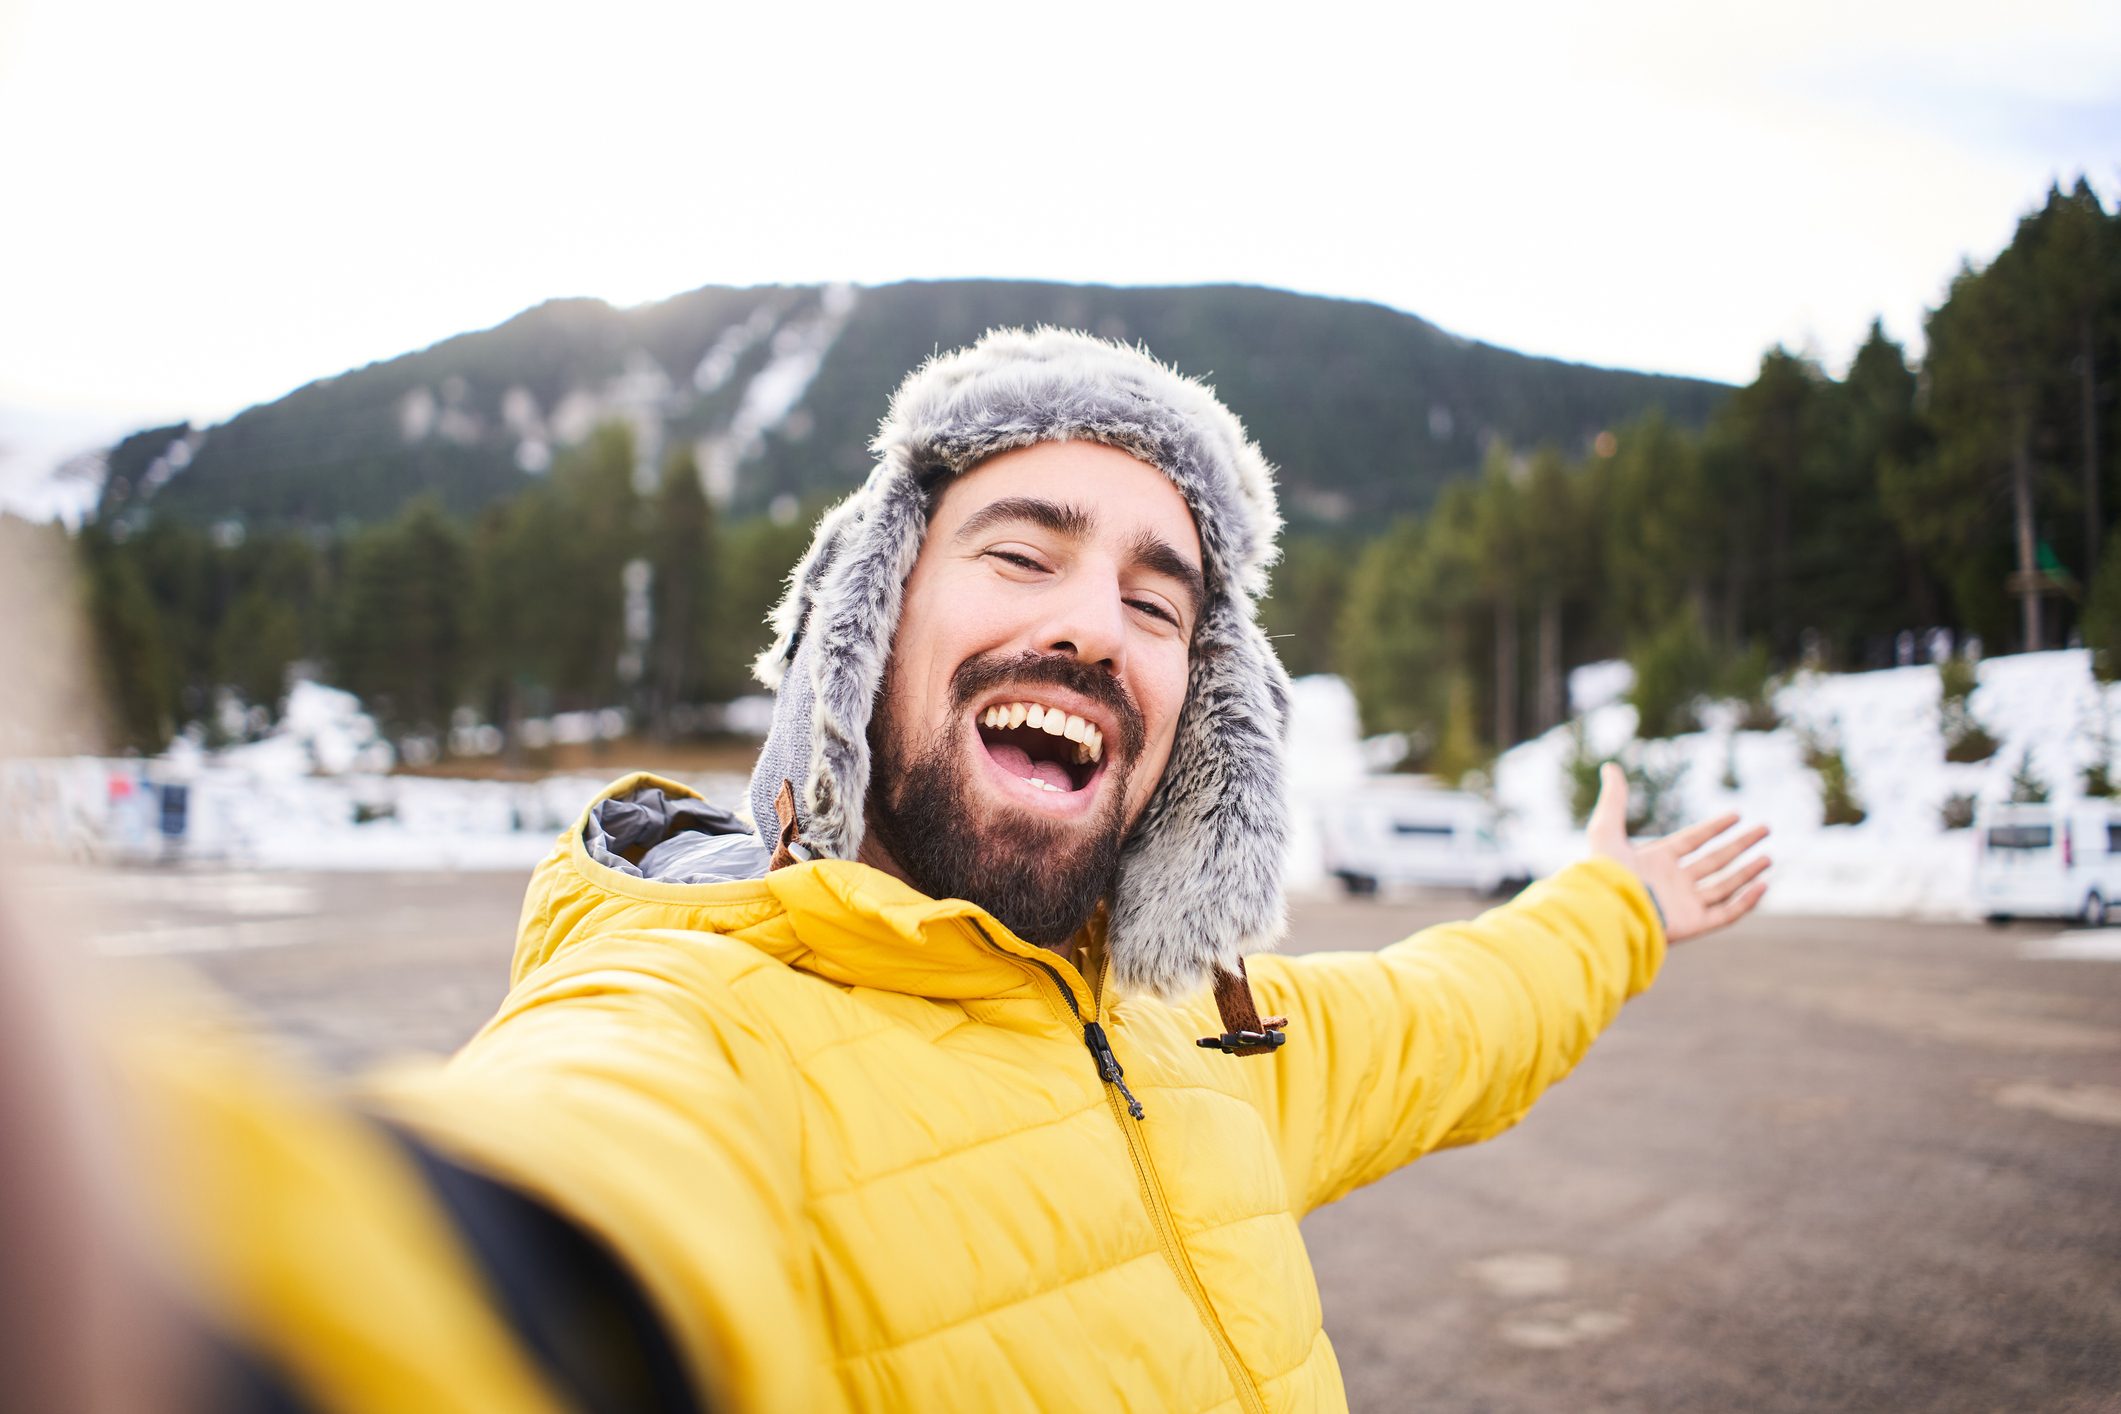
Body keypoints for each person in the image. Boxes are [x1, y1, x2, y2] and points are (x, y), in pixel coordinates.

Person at [15, 328, 1769, 1412]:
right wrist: (218, 1291)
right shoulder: (699, 1020)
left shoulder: (1200, 1034)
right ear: (865, 634)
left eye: (1155, 601)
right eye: (1023, 552)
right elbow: (581, 1184)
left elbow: (1445, 1012)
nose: (1095, 625)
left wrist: (1610, 909)